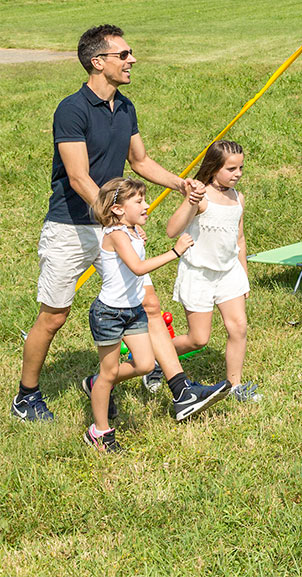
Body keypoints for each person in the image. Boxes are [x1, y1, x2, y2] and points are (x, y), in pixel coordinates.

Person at [15, 24, 228, 424]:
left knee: (149, 304)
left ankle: (181, 390)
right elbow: (78, 177)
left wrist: (179, 183)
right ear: (98, 62)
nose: (132, 60)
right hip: (71, 225)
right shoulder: (72, 109)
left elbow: (140, 160)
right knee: (54, 315)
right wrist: (117, 216)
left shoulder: (125, 107)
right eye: (124, 54)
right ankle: (26, 396)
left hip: (110, 222)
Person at [81, 178, 197, 452]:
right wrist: (175, 252)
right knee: (110, 372)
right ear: (118, 209)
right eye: (139, 201)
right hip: (109, 314)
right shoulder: (116, 234)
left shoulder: (131, 232)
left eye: (145, 199)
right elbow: (137, 268)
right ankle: (99, 432)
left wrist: (139, 238)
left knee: (145, 364)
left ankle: (98, 383)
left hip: (133, 311)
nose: (146, 205)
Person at [164, 140, 258, 403]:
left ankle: (235, 386)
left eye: (241, 168)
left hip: (229, 273)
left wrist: (244, 275)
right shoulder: (201, 197)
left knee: (238, 327)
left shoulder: (238, 198)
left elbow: (240, 239)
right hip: (199, 274)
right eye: (231, 169)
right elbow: (172, 231)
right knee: (198, 339)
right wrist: (190, 201)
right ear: (214, 168)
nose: (238, 174)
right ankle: (156, 358)